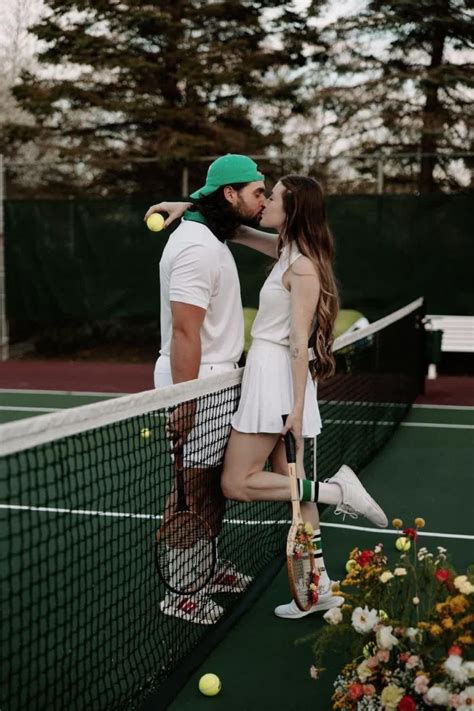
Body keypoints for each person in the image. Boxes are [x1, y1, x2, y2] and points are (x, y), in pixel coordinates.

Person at [152, 175, 388, 622]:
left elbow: (300, 343)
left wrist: (296, 407)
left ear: (292, 208)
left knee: (235, 482)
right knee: (289, 483)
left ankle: (339, 489)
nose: (265, 202)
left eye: (273, 196)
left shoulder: (300, 266)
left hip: (275, 378)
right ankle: (318, 587)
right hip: (269, 374)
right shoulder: (288, 251)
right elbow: (235, 228)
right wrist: (186, 205)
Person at [146, 154, 266, 625]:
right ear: (231, 194)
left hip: (216, 377)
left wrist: (188, 203)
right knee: (190, 489)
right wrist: (185, 400)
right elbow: (184, 333)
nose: (264, 198)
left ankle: (205, 569)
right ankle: (180, 589)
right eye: (257, 191)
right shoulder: (196, 248)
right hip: (196, 382)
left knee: (212, 486)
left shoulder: (211, 236)